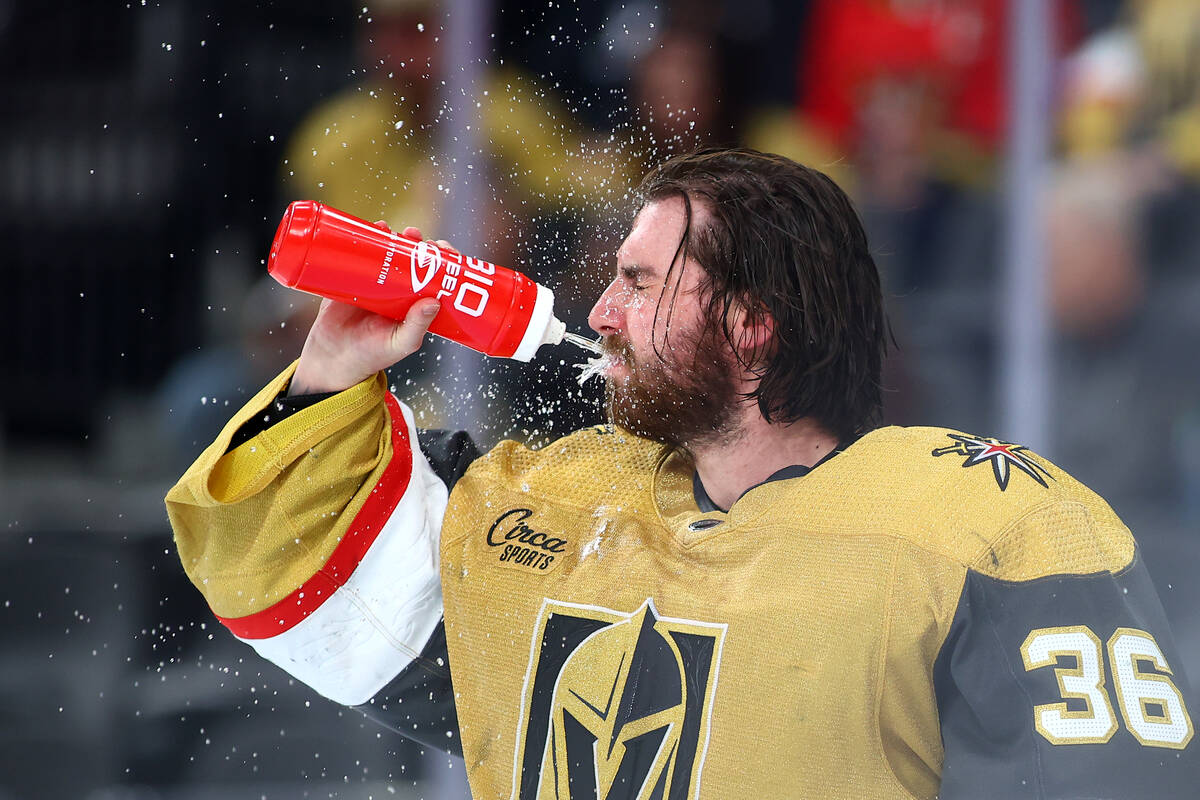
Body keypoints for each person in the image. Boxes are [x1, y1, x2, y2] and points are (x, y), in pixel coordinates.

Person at [165, 148, 1198, 798]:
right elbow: (296, 579)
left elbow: (1118, 780)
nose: (603, 312)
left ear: (752, 322)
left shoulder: (980, 514)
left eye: (640, 282)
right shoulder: (563, 501)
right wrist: (331, 374)